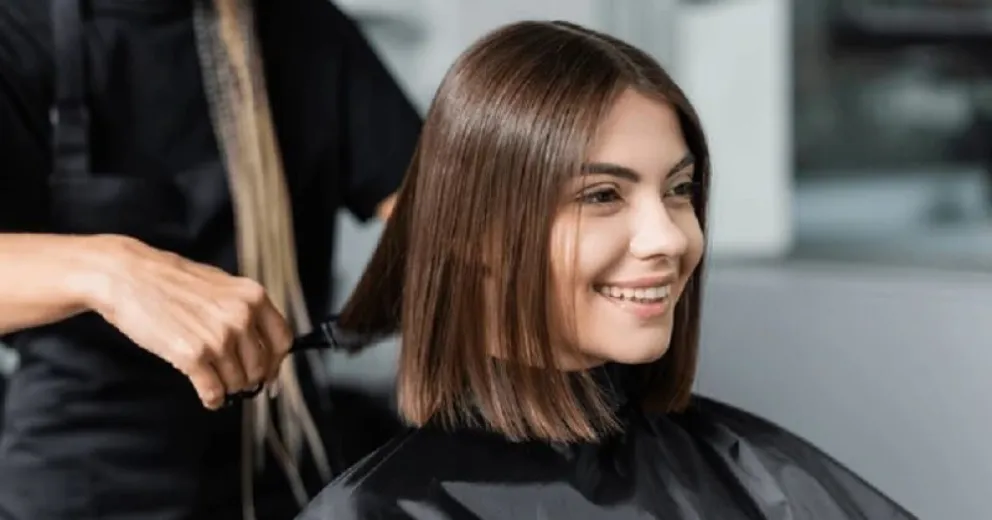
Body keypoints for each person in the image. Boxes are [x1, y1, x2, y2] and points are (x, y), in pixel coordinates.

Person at [295, 20, 918, 520]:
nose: (670, 237)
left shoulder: (763, 478)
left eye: (678, 189)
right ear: (473, 234)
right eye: (602, 196)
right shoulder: (381, 508)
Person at [0, 0, 419, 518]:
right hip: (85, 483)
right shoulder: (20, 29)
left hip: (286, 475)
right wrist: (108, 269)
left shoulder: (302, 28)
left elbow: (437, 219)